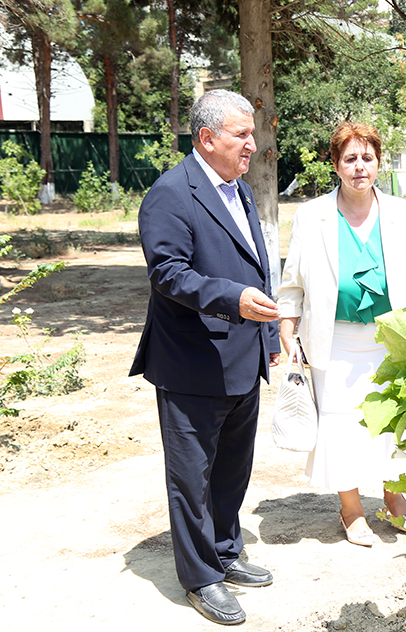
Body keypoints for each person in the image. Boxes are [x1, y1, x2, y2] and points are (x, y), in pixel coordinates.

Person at [130, 89, 281, 626]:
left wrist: (268, 339)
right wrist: (231, 299)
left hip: (243, 357)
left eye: (252, 133)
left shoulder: (238, 189)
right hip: (193, 362)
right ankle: (200, 577)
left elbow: (254, 266)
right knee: (192, 476)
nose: (253, 144)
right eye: (242, 134)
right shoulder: (171, 194)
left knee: (232, 469)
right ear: (206, 138)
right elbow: (168, 274)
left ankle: (224, 548)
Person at [277, 122, 406, 547]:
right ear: (335, 165)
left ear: (379, 163)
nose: (360, 167)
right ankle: (352, 509)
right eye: (350, 158)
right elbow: (293, 281)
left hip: (389, 336)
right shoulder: (312, 214)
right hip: (334, 337)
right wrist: (286, 326)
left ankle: (393, 494)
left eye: (367, 158)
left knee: (395, 418)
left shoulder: (399, 211)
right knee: (340, 422)